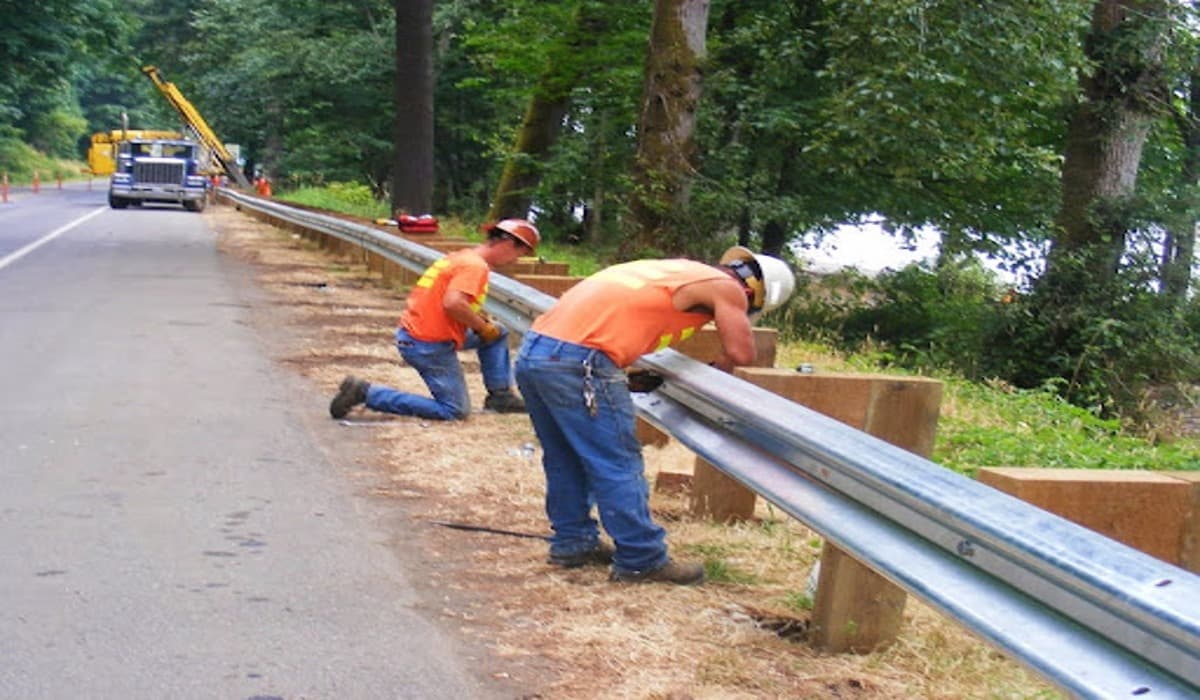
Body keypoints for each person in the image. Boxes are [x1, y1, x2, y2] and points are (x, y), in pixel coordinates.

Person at [514, 247, 796, 585]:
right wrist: (718, 369)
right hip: (581, 362)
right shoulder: (727, 287)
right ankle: (641, 557)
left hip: (538, 354)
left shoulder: (674, 270)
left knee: (565, 457)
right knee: (617, 462)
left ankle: (573, 542)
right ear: (755, 293)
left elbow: (616, 316)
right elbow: (741, 352)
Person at [330, 219, 540, 421]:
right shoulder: (474, 266)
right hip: (428, 344)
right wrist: (481, 327)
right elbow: (453, 304)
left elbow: (449, 301)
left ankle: (500, 396)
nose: (515, 261)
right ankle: (367, 394)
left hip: (417, 334)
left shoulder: (461, 257)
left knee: (497, 333)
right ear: (508, 244)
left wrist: (480, 322)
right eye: (519, 253)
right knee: (454, 410)